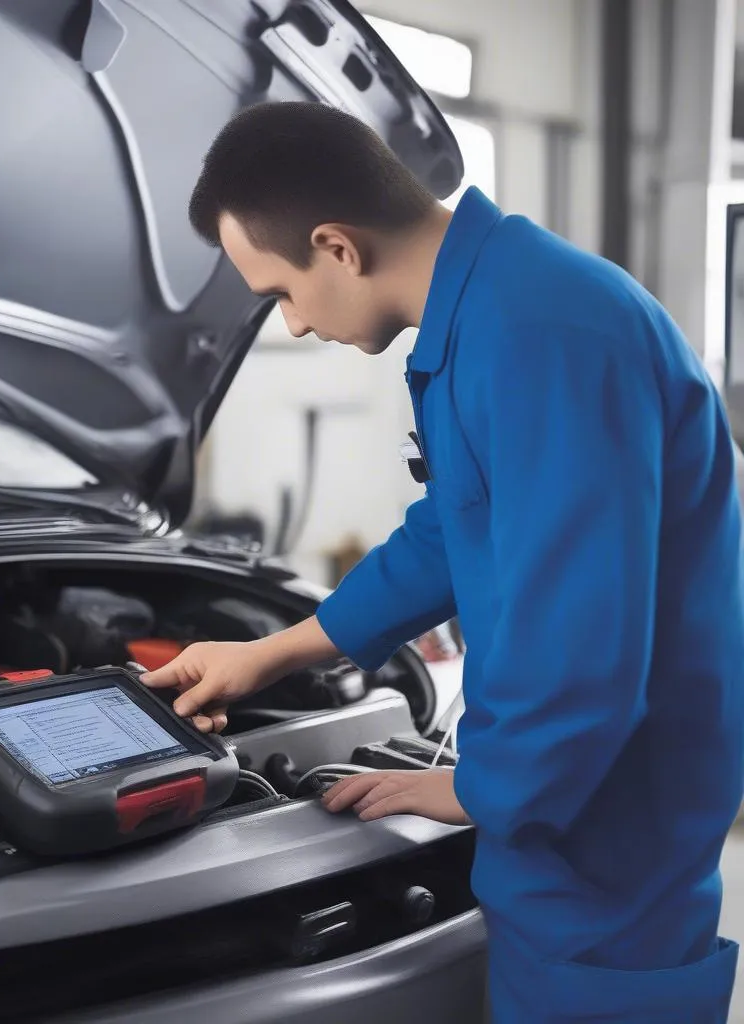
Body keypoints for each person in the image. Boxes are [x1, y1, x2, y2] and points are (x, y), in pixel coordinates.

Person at [141, 101, 744, 1022]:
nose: (292, 326)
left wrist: (476, 788)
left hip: (610, 815)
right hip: (572, 794)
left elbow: (582, 640)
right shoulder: (489, 314)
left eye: (279, 294)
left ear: (337, 247)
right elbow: (454, 529)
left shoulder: (545, 331)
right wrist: (274, 652)